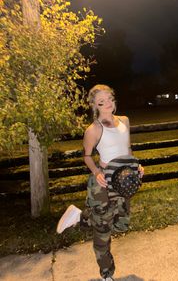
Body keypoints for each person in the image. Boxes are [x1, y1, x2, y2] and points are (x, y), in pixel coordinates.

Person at [56, 84, 144, 281]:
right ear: (94, 105)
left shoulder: (124, 121)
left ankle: (80, 217)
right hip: (103, 181)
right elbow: (87, 156)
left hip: (124, 180)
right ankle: (106, 275)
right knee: (103, 231)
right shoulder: (94, 129)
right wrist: (96, 172)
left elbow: (128, 149)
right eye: (101, 102)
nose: (108, 104)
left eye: (110, 99)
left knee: (120, 224)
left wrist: (136, 167)